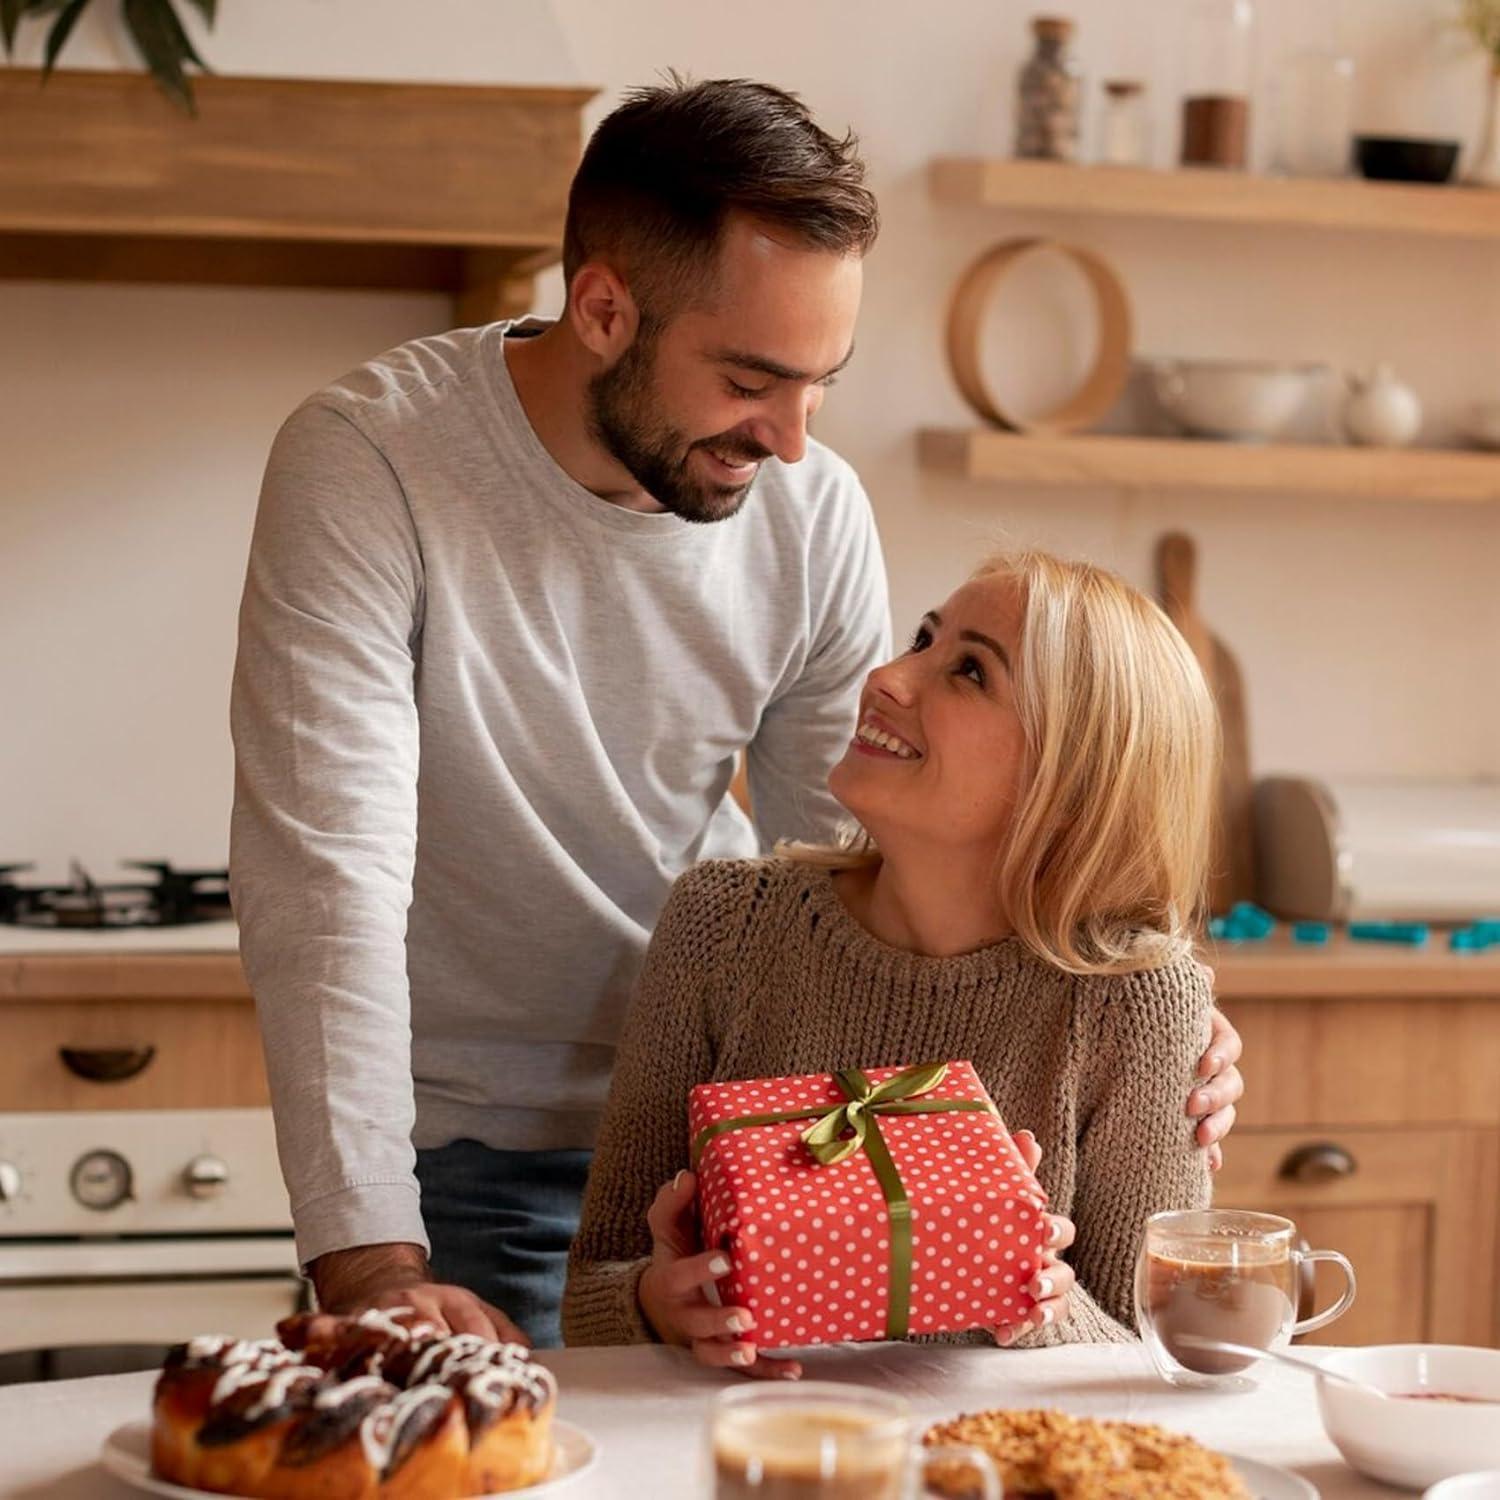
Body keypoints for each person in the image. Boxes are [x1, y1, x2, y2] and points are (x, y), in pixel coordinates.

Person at [229, 79, 1244, 1352]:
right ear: (603, 309)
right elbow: (330, 873)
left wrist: (1135, 997)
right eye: (753, 379)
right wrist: (373, 1259)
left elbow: (885, 864)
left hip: (755, 1145)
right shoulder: (370, 463)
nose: (795, 442)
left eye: (822, 383)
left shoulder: (808, 510)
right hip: (455, 1159)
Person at [563, 552, 1220, 1374]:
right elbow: (593, 1287)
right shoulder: (721, 923)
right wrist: (657, 1306)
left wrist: (1037, 1299)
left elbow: (1154, 1357)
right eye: (922, 638)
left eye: (969, 672)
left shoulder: (1143, 1003)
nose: (889, 677)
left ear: (1069, 775)